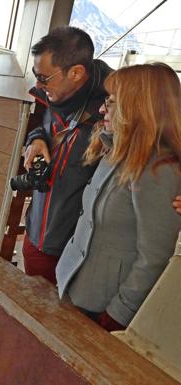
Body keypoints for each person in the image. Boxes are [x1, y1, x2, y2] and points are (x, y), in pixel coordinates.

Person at [55, 62, 181, 331]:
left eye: (111, 102)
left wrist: (118, 313)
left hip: (102, 309)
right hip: (76, 289)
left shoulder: (159, 171)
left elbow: (155, 257)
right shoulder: (116, 151)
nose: (102, 109)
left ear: (136, 107)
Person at [22, 27, 113, 284]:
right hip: (37, 235)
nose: (38, 85)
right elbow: (41, 123)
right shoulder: (54, 93)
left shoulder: (116, 108)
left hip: (77, 255)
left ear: (76, 73)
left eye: (43, 77)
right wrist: (36, 139)